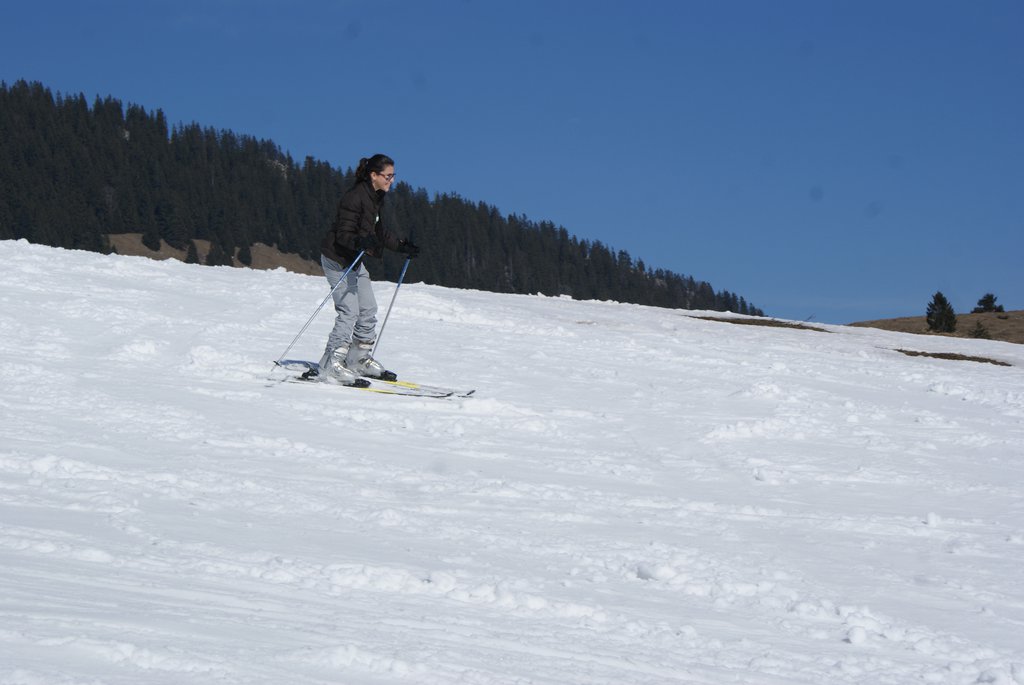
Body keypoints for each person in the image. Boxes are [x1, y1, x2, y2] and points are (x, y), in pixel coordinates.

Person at [318, 154, 419, 385]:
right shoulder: (354, 197)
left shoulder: (376, 197)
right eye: (388, 176)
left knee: (368, 309)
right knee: (349, 311)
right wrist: (359, 242)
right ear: (374, 175)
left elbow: (379, 233)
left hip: (355, 260)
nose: (392, 180)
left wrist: (401, 246)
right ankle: (330, 363)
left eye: (393, 176)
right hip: (337, 260)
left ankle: (357, 358)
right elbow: (343, 234)